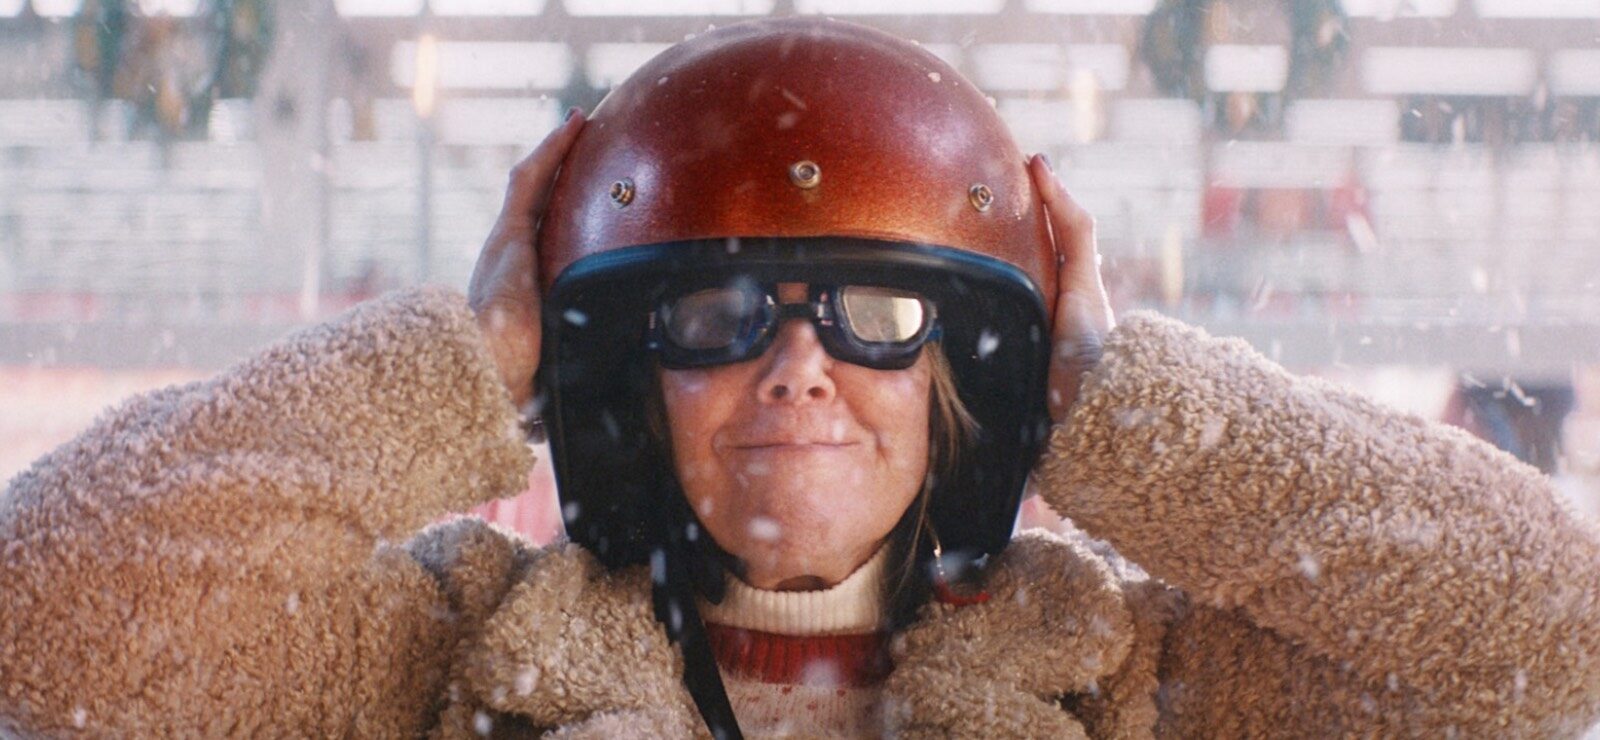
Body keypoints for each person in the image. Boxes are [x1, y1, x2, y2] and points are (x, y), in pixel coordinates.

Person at [3, 17, 1599, 739]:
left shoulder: (1132, 684)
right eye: (715, 317)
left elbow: (1553, 636)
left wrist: (1132, 411)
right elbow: (51, 604)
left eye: (873, 315)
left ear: (970, 385)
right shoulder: (449, 659)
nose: (795, 368)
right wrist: (468, 362)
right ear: (626, 386)